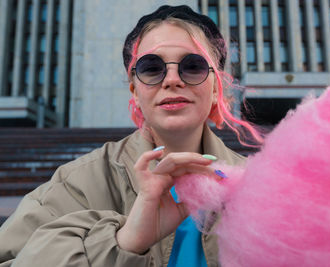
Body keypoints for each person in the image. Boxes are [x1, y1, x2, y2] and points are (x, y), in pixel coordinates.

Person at [0, 5, 262, 267]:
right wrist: (123, 241)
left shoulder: (259, 185)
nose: (171, 80)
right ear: (135, 91)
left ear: (216, 87)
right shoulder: (80, 184)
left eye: (192, 66)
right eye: (152, 67)